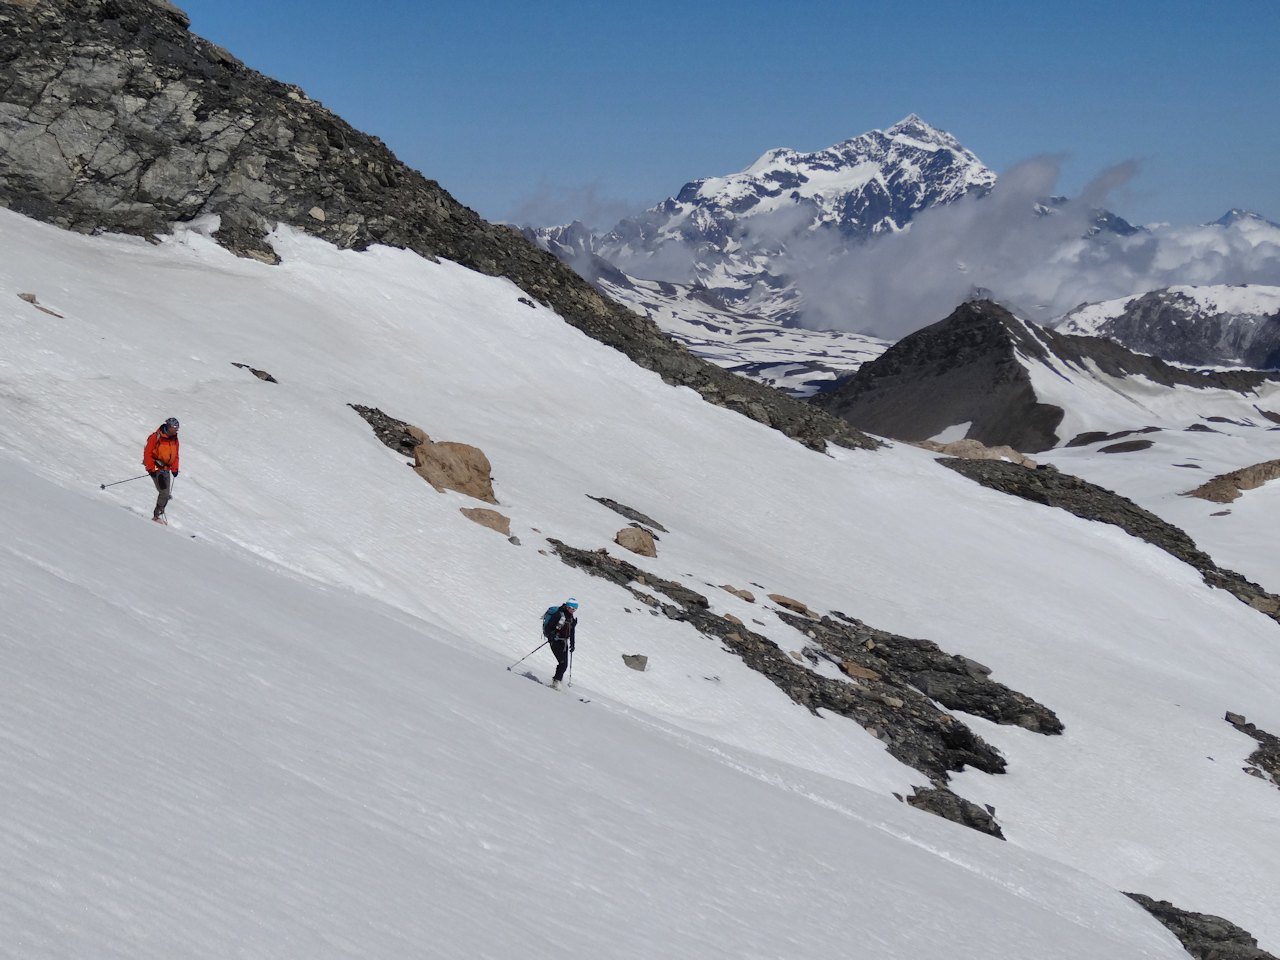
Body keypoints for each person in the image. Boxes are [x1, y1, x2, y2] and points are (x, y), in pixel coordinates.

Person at [142, 417, 181, 524]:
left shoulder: (175, 439)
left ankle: (159, 513)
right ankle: (156, 516)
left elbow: (176, 455)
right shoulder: (156, 437)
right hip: (156, 467)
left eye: (177, 428)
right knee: (164, 493)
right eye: (174, 428)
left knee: (166, 493)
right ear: (168, 427)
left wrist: (175, 468)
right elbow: (147, 453)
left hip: (166, 469)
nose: (176, 430)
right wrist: (151, 468)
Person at [542, 598, 579, 689]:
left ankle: (556, 682)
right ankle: (556, 683)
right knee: (562, 663)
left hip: (564, 642)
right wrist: (551, 636)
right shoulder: (559, 614)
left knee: (564, 664)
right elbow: (549, 627)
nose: (572, 610)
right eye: (571, 608)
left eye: (575, 609)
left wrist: (572, 644)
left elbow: (572, 632)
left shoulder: (571, 618)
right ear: (567, 606)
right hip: (555, 641)